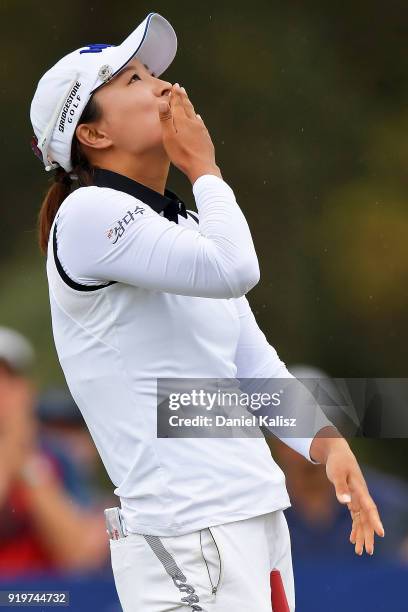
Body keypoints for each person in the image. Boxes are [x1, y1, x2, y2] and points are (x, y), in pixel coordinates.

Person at [29, 12, 385, 611]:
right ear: (91, 135)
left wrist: (328, 445)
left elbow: (255, 369)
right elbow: (235, 268)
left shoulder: (182, 224)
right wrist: (205, 168)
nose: (165, 87)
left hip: (254, 517)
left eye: (154, 74)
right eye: (133, 80)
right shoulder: (86, 216)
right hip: (183, 532)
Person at [0, 327, 110, 576]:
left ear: (22, 390)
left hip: (43, 598)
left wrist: (26, 463)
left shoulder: (55, 457)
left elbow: (78, 556)